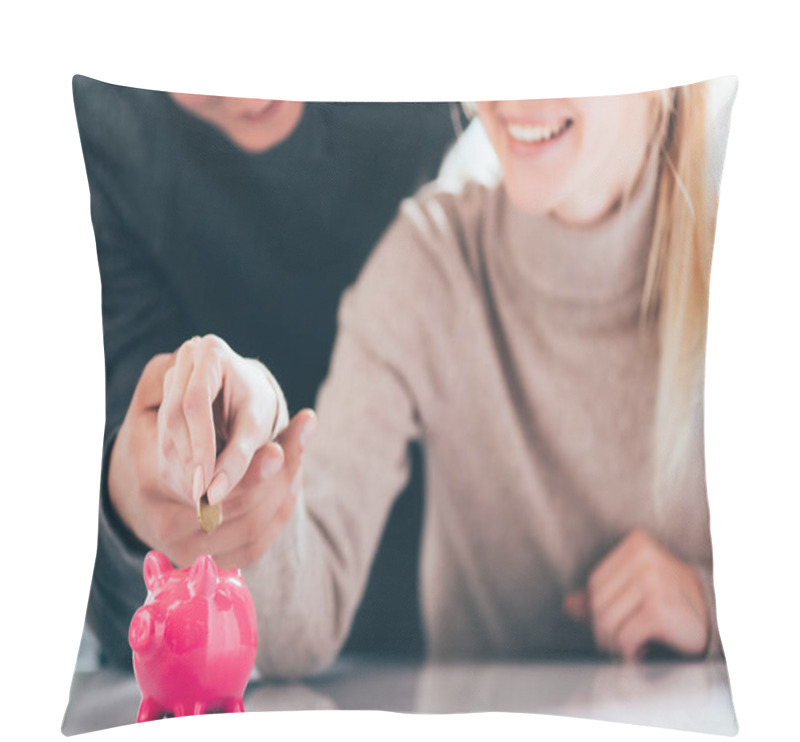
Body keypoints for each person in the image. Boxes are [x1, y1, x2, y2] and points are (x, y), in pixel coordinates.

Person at [111, 78, 736, 677]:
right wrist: (254, 450)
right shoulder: (433, 261)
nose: (513, 91)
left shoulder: (746, 241)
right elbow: (305, 616)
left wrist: (714, 608)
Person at [73, 75, 465, 667]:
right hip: (248, 641)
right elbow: (98, 577)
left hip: (467, 623)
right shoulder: (92, 123)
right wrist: (130, 508)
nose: (243, 94)